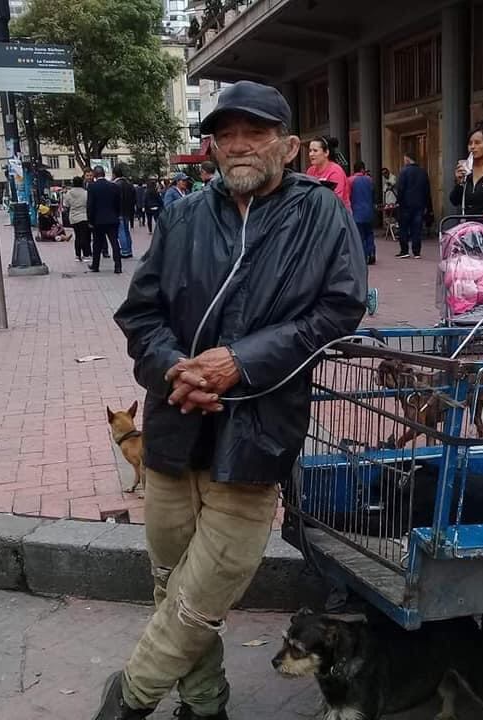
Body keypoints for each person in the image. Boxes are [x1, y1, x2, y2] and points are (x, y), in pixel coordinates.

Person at [95, 79, 366, 720]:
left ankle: (129, 698)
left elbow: (339, 309)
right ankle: (205, 703)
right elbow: (141, 313)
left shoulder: (319, 213)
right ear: (213, 147)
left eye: (255, 132)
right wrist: (174, 370)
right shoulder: (182, 215)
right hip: (173, 430)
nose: (239, 145)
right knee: (170, 581)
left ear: (289, 146)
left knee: (203, 593)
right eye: (225, 134)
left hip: (256, 434)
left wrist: (240, 361)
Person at [395, 151, 431, 258]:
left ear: (407, 159)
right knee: (417, 229)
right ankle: (416, 251)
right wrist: (428, 206)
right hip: (419, 205)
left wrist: (398, 202)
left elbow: (400, 189)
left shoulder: (404, 171)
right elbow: (427, 191)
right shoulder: (423, 172)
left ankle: (404, 250)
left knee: (404, 228)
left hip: (405, 205)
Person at [87, 165, 122, 274]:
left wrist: (90, 220)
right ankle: (118, 266)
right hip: (112, 219)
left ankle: (95, 266)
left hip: (98, 220)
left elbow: (90, 205)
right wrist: (116, 215)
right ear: (104, 174)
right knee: (114, 243)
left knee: (97, 244)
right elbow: (118, 203)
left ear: (95, 175)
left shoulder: (92, 187)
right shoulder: (113, 186)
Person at [306, 137, 350, 209]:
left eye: (315, 151)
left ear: (326, 152)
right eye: (310, 151)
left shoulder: (336, 171)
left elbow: (335, 200)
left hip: (337, 213)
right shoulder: (310, 171)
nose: (311, 154)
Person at [350, 161, 375, 265]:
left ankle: (364, 256)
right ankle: (371, 253)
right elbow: (373, 194)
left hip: (356, 211)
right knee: (369, 233)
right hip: (369, 211)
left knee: (360, 235)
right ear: (362, 169)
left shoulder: (350, 180)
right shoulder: (369, 180)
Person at [64, 176, 90, 261]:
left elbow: (66, 205)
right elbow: (88, 204)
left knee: (77, 236)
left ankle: (77, 255)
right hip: (84, 216)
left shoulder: (68, 193)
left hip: (73, 217)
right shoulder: (86, 193)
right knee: (84, 236)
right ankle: (86, 255)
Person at [114, 165, 137, 259]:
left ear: (114, 174)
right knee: (126, 231)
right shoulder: (129, 184)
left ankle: (124, 251)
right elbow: (134, 198)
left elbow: (115, 199)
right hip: (128, 211)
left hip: (119, 211)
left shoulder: (116, 185)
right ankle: (129, 250)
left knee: (121, 232)